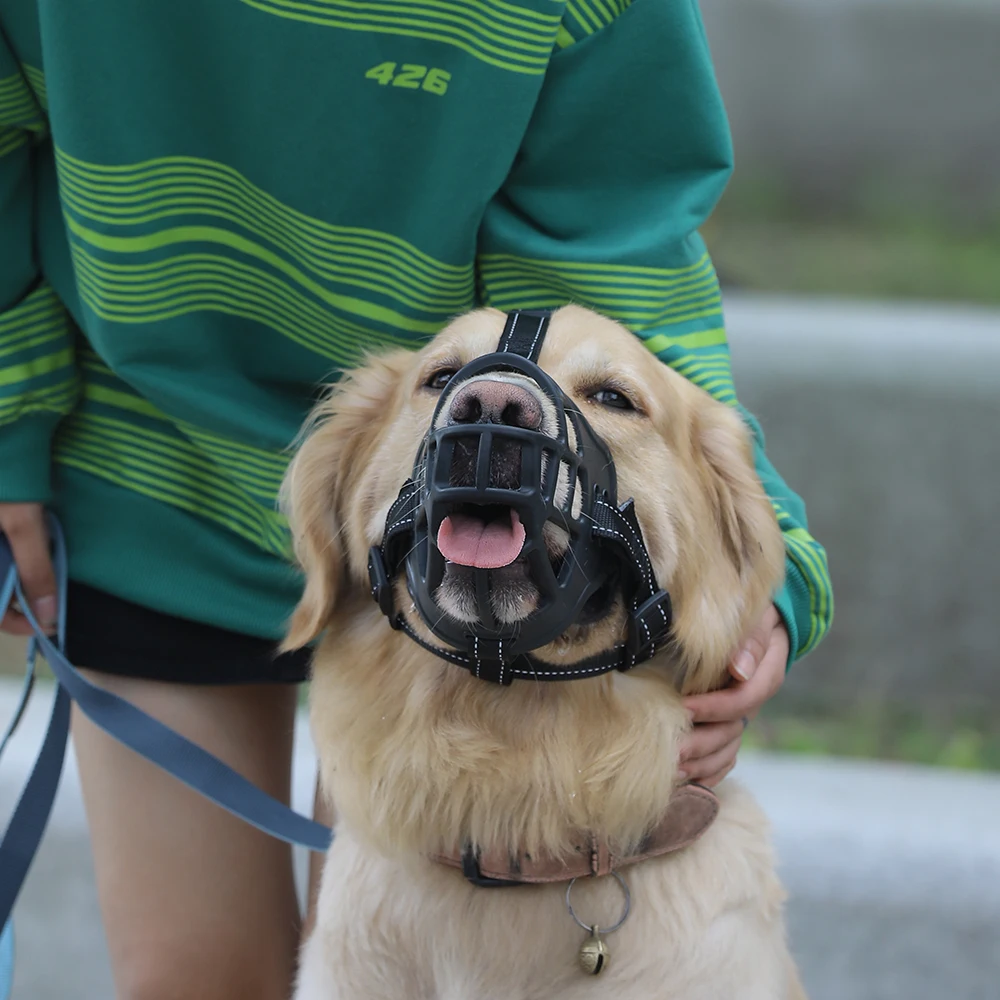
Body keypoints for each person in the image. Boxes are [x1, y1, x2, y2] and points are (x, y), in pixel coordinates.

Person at [0, 1, 833, 997]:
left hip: (467, 522)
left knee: (410, 929)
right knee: (190, 978)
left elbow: (622, 267)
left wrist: (762, 567)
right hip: (145, 467)